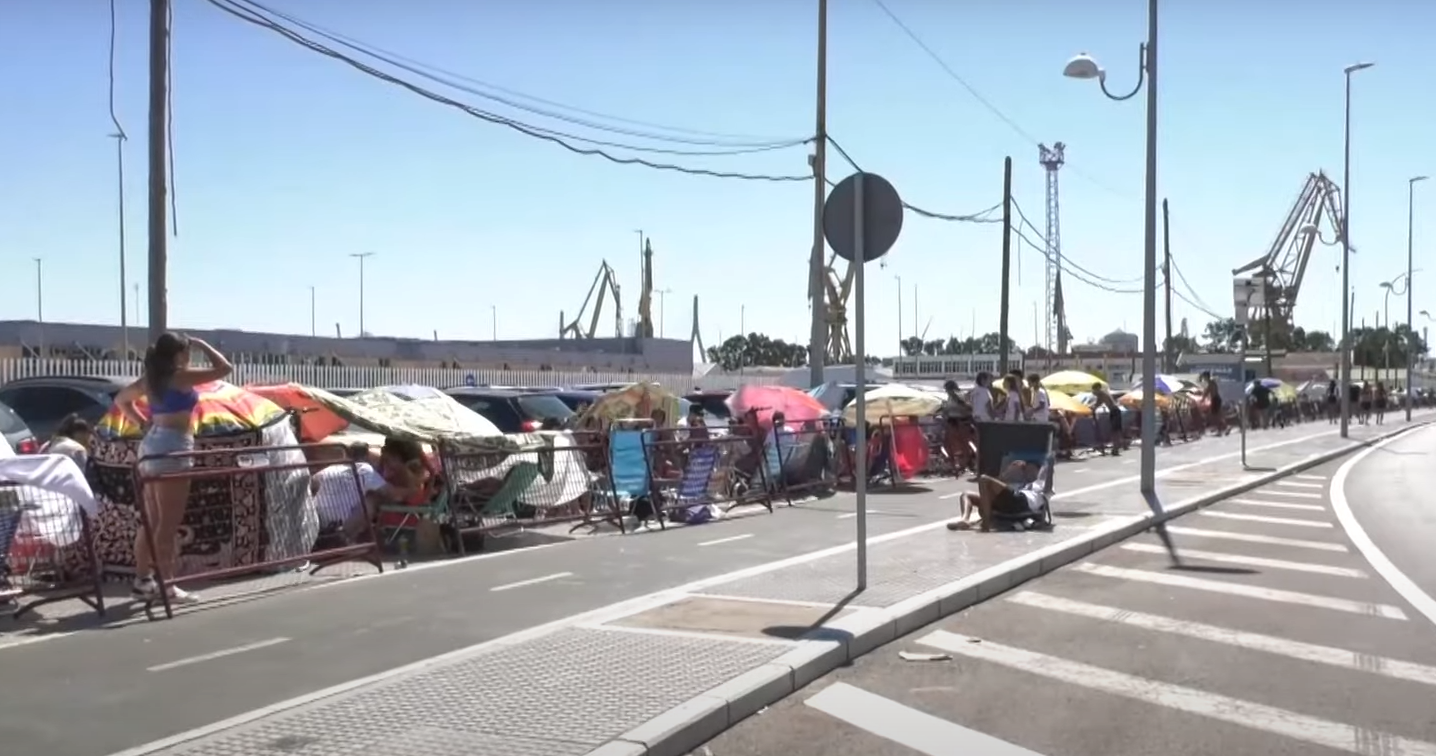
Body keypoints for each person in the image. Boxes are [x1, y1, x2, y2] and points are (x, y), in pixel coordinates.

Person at [114, 332, 232, 603]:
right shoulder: (180, 376)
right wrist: (203, 343)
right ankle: (167, 585)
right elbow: (225, 368)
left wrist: (142, 422)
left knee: (152, 520)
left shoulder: (151, 380)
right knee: (168, 524)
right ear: (179, 354)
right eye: (187, 351)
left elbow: (121, 400)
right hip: (174, 446)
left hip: (152, 445)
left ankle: (142, 580)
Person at [947, 457, 1050, 533]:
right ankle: (965, 519)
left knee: (983, 479)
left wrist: (1049, 463)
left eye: (1033, 469)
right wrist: (1010, 470)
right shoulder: (1018, 481)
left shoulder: (1041, 483)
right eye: (1027, 469)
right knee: (966, 494)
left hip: (1022, 502)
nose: (1029, 472)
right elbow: (997, 483)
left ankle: (986, 525)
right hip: (1006, 500)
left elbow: (1048, 489)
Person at [940, 380, 974, 474]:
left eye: (948, 389)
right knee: (949, 443)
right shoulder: (949, 398)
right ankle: (954, 463)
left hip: (961, 421)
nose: (947, 392)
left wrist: (958, 399)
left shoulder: (960, 395)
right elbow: (947, 409)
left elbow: (968, 407)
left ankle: (965, 463)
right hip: (951, 421)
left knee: (963, 444)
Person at [1092, 382, 1123, 455]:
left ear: (1098, 388)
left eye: (1094, 390)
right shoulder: (1103, 393)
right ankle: (1116, 448)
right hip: (1113, 411)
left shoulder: (1102, 394)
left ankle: (1116, 449)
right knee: (1114, 431)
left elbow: (1097, 404)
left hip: (1115, 411)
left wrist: (1092, 408)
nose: (1093, 392)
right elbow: (1097, 404)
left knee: (1115, 431)